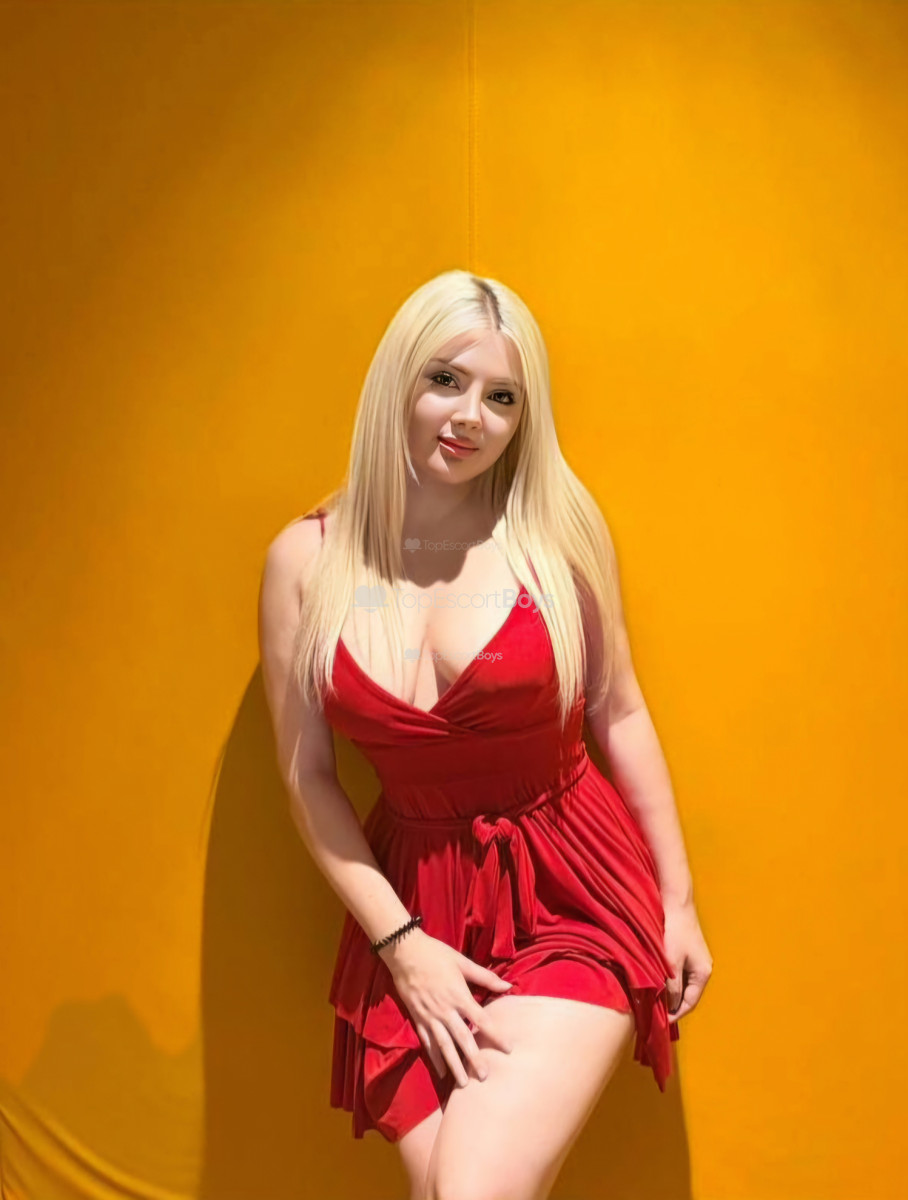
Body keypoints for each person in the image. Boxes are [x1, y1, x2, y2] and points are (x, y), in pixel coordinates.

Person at [258, 269, 712, 1200]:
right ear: (398, 380)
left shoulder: (554, 532)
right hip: (412, 904)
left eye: (502, 398)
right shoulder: (304, 563)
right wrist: (402, 945)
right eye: (446, 380)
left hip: (569, 887)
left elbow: (618, 710)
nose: (471, 417)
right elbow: (308, 776)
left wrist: (679, 900)